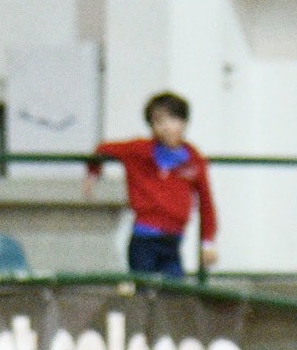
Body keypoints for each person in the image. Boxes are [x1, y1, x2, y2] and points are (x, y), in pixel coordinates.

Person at [86, 92, 216, 279]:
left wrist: (208, 242)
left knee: (175, 290)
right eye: (158, 122)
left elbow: (206, 203)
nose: (166, 127)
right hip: (144, 238)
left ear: (184, 122)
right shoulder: (139, 151)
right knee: (143, 289)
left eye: (173, 119)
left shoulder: (193, 160)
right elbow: (103, 149)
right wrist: (93, 173)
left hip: (173, 239)